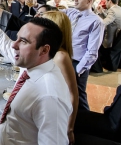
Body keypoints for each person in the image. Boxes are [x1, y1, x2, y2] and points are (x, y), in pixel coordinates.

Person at [0, 0, 72, 144]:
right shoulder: (31, 62)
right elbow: (0, 39)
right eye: (17, 39)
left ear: (44, 50)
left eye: (23, 41)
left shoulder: (49, 95)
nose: (13, 45)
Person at [61, 0, 104, 111]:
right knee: (64, 94)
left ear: (90, 1)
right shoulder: (71, 13)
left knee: (79, 96)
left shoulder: (96, 21)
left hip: (77, 63)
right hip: (64, 59)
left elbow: (92, 52)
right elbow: (52, 12)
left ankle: (87, 124)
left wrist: (78, 70)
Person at [40, 11, 79, 144]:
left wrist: (69, 128)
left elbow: (73, 94)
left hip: (57, 118)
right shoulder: (49, 51)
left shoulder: (61, 56)